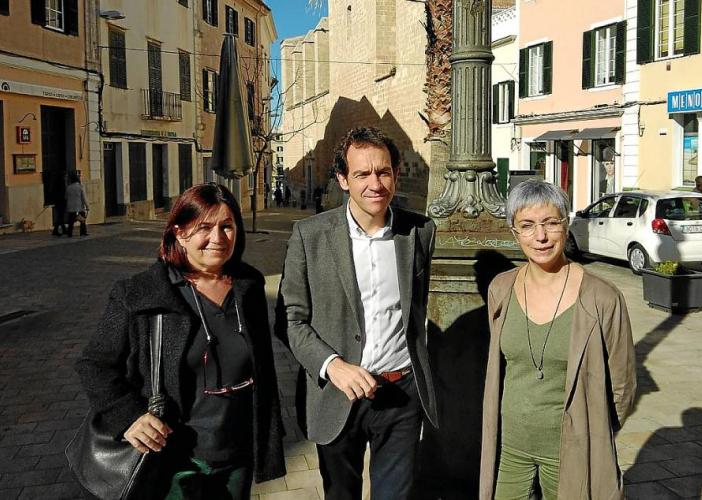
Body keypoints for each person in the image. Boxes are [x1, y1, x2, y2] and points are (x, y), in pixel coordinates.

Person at [75, 183, 285, 498]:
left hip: (237, 453)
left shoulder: (248, 285)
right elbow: (94, 364)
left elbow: (262, 367)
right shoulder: (141, 294)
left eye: (227, 226)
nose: (218, 238)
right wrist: (128, 416)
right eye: (204, 227)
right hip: (174, 461)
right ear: (180, 233)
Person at [278, 127, 438, 499]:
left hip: (401, 394)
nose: (375, 184)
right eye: (362, 174)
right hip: (337, 396)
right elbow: (290, 319)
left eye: (383, 172)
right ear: (343, 179)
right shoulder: (309, 235)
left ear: (396, 175)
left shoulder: (419, 232)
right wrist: (332, 365)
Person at [479, 179, 636, 500]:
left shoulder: (602, 297)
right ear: (514, 232)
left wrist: (594, 434)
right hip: (510, 447)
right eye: (527, 225)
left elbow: (623, 386)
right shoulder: (500, 289)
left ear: (566, 224)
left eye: (551, 222)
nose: (540, 236)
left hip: (571, 451)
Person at [65, 171, 89, 237]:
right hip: (79, 206)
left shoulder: (68, 187)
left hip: (70, 207)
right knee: (82, 220)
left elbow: (66, 197)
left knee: (71, 221)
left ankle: (69, 233)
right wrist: (87, 206)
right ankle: (83, 232)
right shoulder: (80, 187)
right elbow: (83, 197)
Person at [51, 171, 67, 236]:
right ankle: (56, 230)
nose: (66, 177)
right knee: (60, 216)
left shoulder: (56, 183)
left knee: (60, 216)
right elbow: (64, 193)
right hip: (61, 202)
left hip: (58, 202)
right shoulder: (62, 183)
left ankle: (63, 229)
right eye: (65, 176)